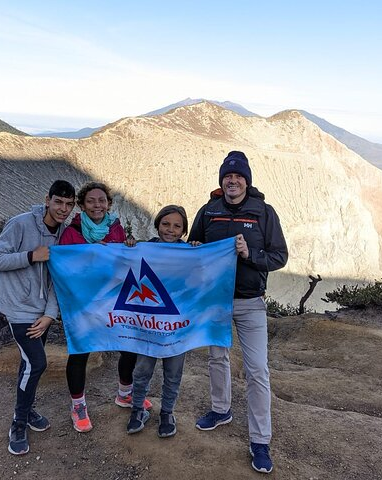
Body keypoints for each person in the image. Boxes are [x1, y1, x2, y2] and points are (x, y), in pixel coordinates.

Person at [188, 151, 288, 474]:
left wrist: (251, 254)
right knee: (217, 358)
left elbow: (279, 256)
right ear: (222, 180)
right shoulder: (209, 211)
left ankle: (260, 440)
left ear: (247, 180)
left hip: (250, 302)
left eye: (238, 176)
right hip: (216, 301)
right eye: (228, 176)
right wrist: (193, 250)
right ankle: (221, 410)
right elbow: (193, 248)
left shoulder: (263, 212)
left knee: (257, 369)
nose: (233, 181)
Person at [0, 180, 76, 455]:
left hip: (41, 311)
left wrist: (50, 315)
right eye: (58, 202)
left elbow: (54, 281)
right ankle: (18, 421)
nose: (63, 209)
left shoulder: (64, 234)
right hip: (18, 308)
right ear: (47, 199)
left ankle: (29, 408)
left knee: (28, 364)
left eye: (69, 204)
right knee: (37, 363)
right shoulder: (21, 224)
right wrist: (30, 256)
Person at [58, 181, 151, 433]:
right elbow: (64, 268)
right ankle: (78, 406)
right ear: (82, 205)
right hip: (84, 304)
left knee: (128, 346)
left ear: (109, 204)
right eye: (91, 201)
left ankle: (125, 392)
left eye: (102, 201)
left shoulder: (116, 229)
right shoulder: (72, 233)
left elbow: (123, 264)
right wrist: (88, 253)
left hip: (114, 300)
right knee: (80, 353)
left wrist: (130, 247)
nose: (97, 205)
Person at [126, 205, 196, 437]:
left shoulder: (190, 253)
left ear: (184, 231)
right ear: (157, 225)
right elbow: (123, 269)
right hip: (149, 326)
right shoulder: (145, 249)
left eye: (177, 226)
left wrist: (200, 251)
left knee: (173, 371)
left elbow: (203, 275)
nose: (171, 230)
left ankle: (167, 412)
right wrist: (126, 249)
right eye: (166, 224)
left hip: (176, 326)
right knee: (142, 369)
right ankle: (138, 409)